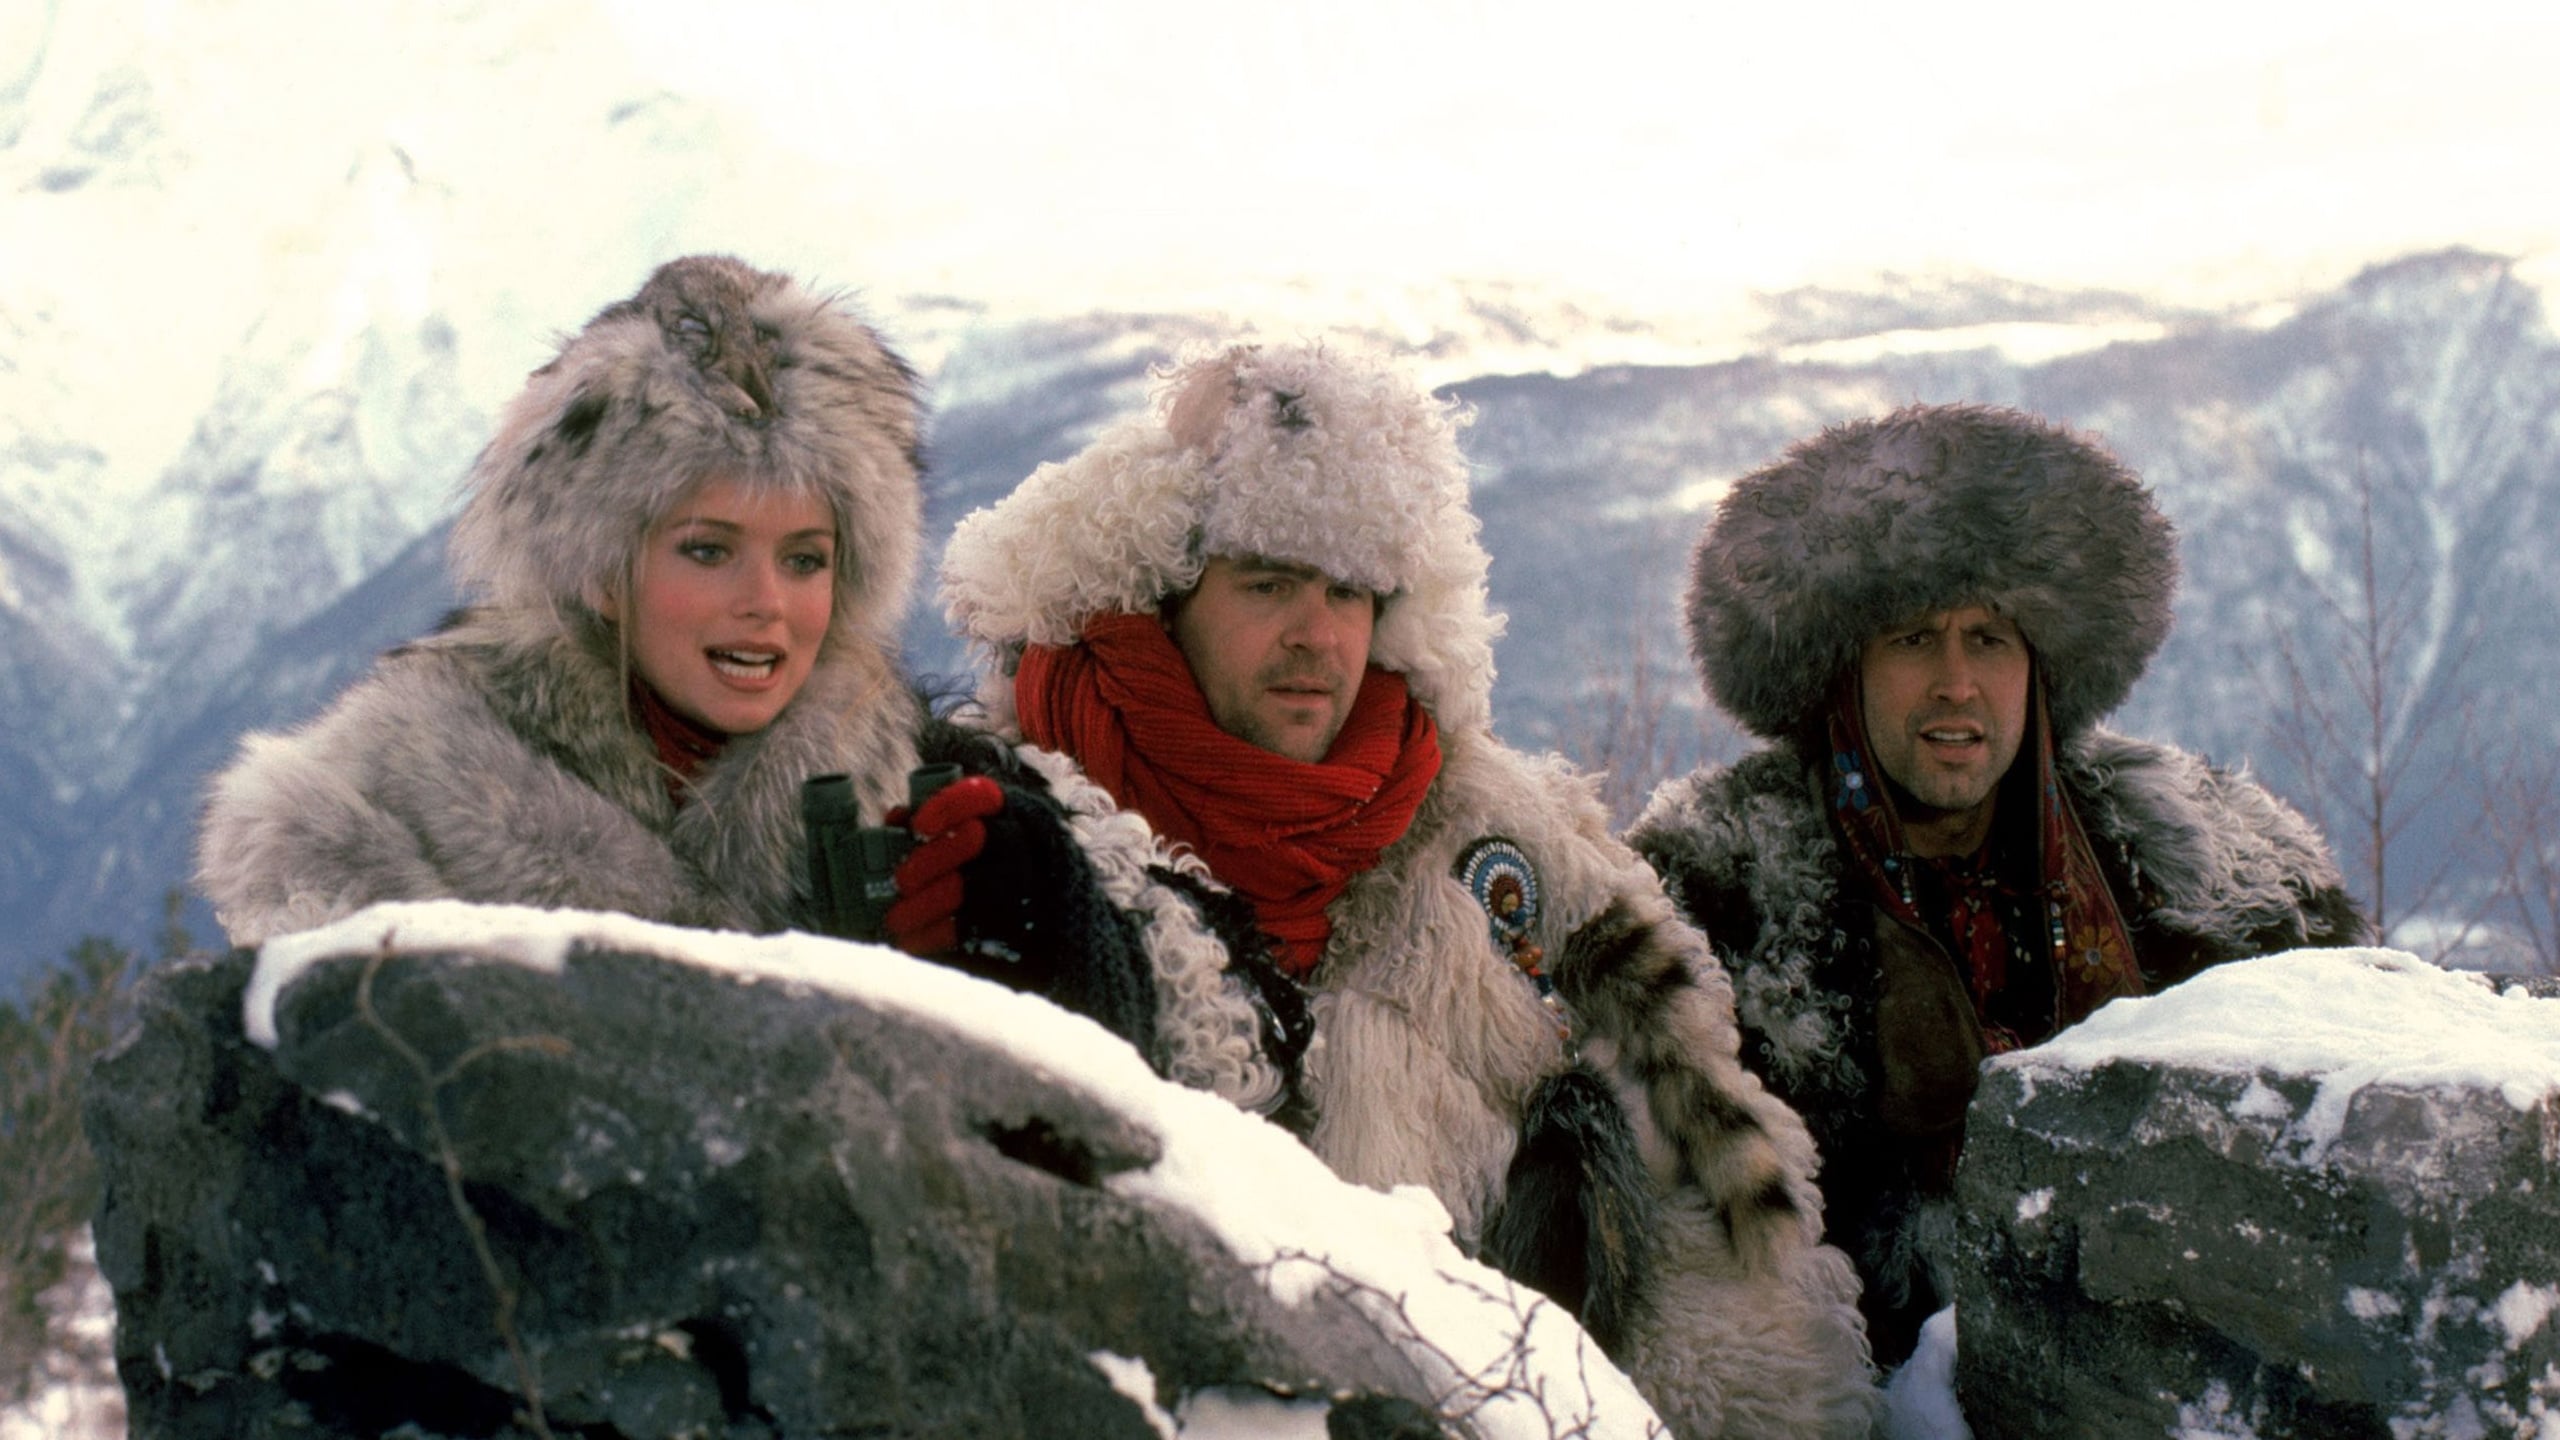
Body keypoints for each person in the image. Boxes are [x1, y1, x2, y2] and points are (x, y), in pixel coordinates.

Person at [938, 342, 1881, 1438]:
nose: (1316, 634)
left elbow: (1709, 1188)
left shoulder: (1496, 838)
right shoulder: (1019, 837)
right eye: (1267, 583)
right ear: (1164, 597)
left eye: (1348, 590)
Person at [195, 255, 1297, 1119]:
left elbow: (1248, 1072)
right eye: (709, 550)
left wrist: (1079, 960)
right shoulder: (390, 802)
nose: (766, 603)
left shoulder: (925, 784)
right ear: (603, 569)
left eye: (805, 558)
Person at [1626, 402, 2367, 1366]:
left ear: (2038, 667)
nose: (1956, 681)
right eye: (1911, 638)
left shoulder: (2218, 876)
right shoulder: (1710, 903)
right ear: (1844, 669)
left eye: (1988, 638)